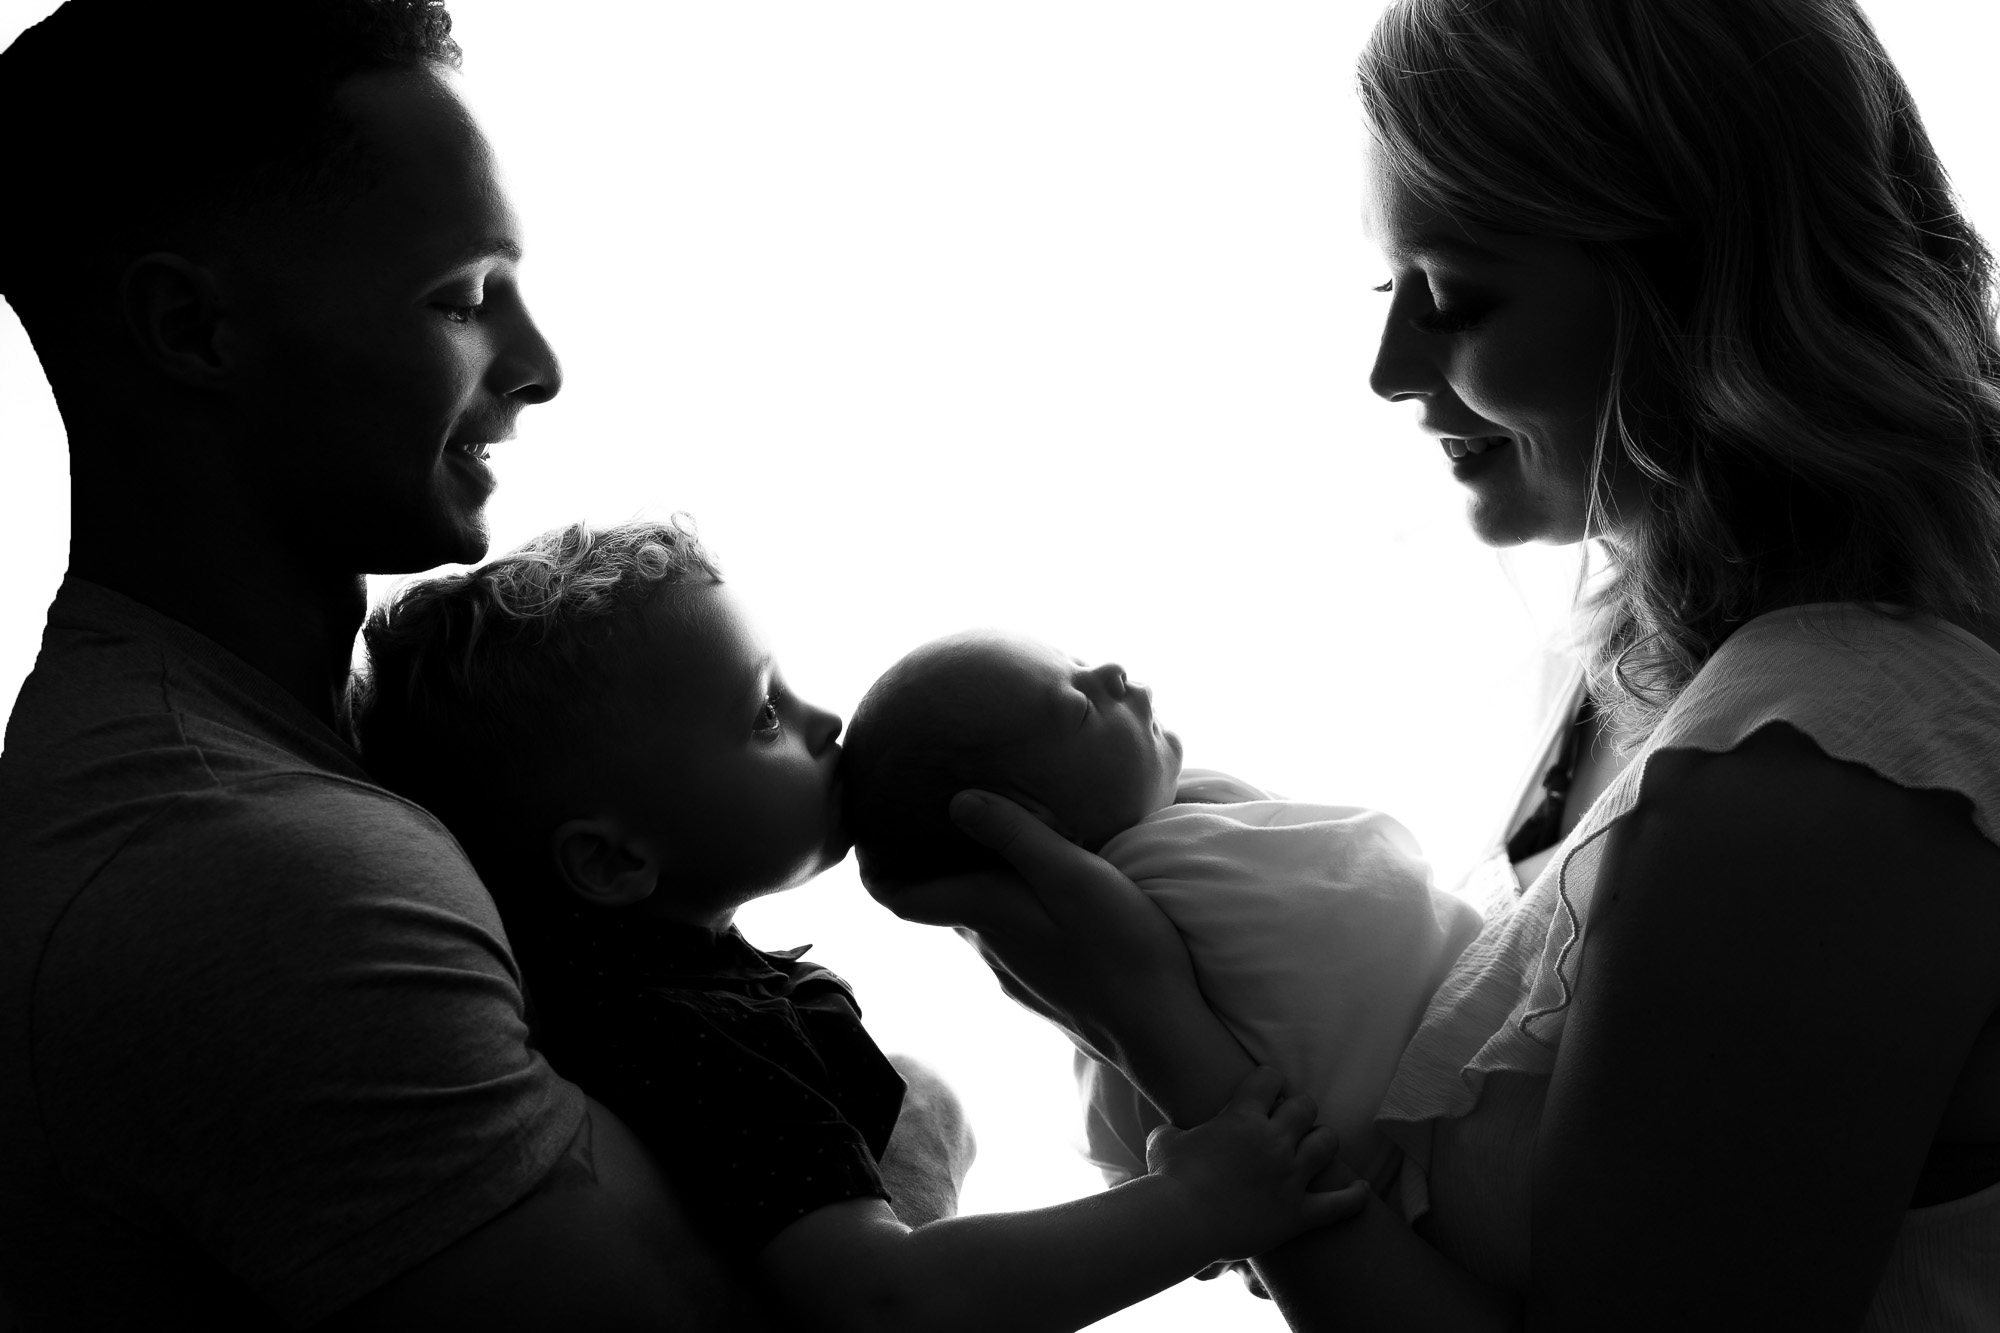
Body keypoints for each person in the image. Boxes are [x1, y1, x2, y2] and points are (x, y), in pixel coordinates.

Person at [867, 0, 2000, 1328]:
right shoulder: (1645, 652)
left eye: (1453, 291)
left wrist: (1158, 1028)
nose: (1388, 366)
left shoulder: (1817, 768)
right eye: (1386, 288)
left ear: (1698, 284)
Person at [0, 1, 963, 1327]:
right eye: (461, 298)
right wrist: (942, 1119)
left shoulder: (338, 742)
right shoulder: (250, 873)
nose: (540, 367)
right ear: (193, 327)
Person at [346, 517, 1367, 1331]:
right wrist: (1197, 1206)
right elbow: (887, 1301)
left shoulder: (672, 991)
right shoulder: (691, 1040)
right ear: (614, 860)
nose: (824, 723)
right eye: (764, 715)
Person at [841, 629, 1481, 1195]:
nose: (1111, 672)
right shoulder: (1159, 875)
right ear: (1031, 824)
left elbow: (1124, 1145)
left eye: (1079, 661)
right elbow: (1375, 878)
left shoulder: (1100, 984)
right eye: (1079, 707)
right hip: (1436, 1112)